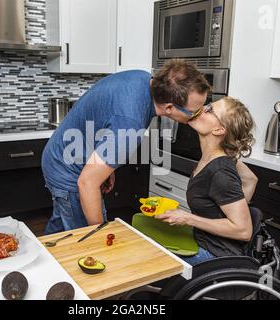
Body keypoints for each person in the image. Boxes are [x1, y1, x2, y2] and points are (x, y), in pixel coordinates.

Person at [41, 59, 256, 235]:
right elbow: (87, 182)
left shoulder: (143, 79)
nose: (199, 113)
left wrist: (107, 166)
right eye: (196, 110)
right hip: (68, 170)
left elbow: (106, 120)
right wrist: (99, 238)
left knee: (60, 230)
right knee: (80, 240)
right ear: (170, 107)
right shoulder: (131, 122)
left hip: (60, 155)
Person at [155, 97, 257, 265]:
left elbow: (244, 231)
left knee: (147, 256)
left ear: (218, 130)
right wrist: (227, 210)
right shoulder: (212, 159)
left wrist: (188, 219)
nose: (201, 109)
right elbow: (251, 180)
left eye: (209, 110)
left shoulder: (220, 171)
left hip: (215, 256)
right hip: (201, 242)